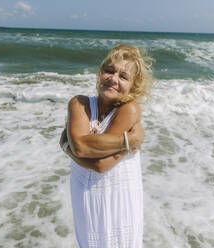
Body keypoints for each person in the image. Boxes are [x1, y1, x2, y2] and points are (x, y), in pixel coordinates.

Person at [59, 44, 153, 248]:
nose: (113, 79)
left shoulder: (130, 110)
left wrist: (67, 146)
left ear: (133, 87)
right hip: (86, 199)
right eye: (109, 71)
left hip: (118, 202)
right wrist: (128, 141)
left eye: (123, 76)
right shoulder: (79, 103)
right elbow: (83, 149)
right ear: (100, 73)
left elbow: (100, 165)